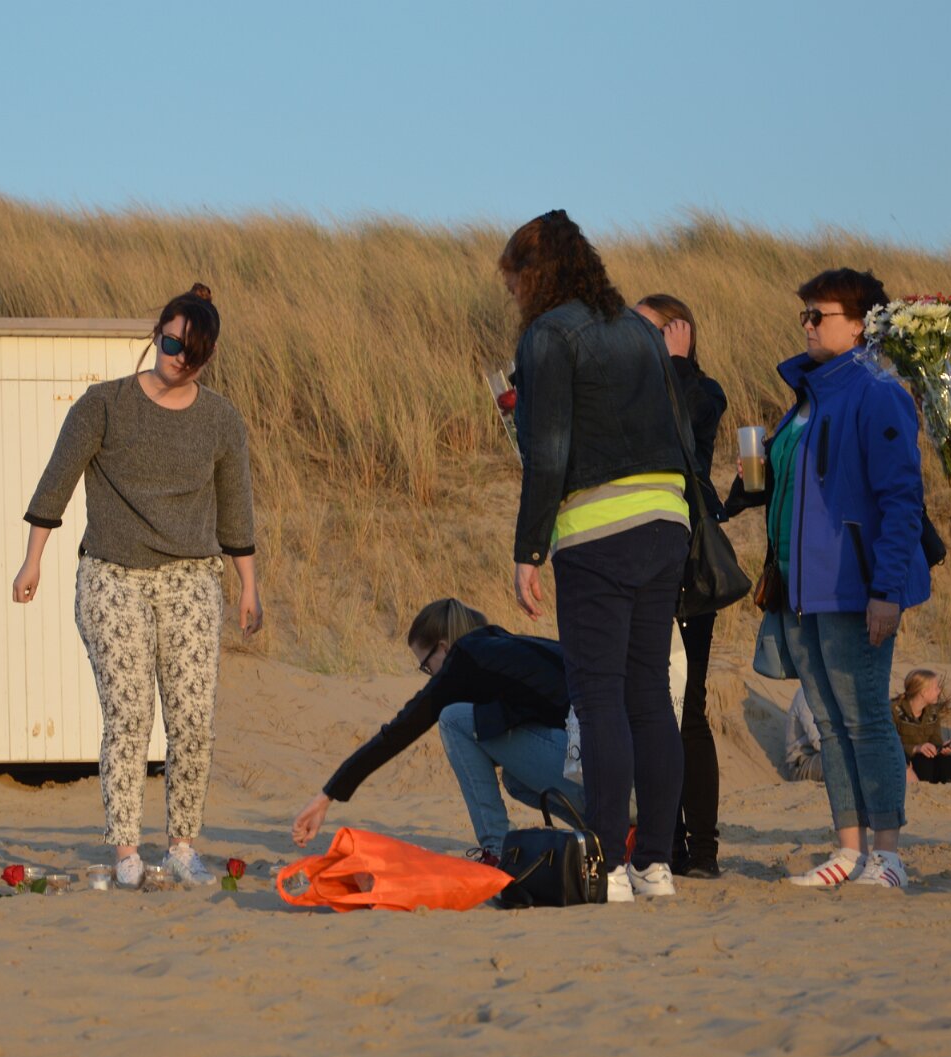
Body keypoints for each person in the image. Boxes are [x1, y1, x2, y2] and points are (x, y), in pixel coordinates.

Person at [13, 284, 264, 889]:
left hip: (191, 579)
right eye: (172, 344)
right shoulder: (103, 405)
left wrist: (248, 587)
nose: (178, 359)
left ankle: (182, 846)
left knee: (193, 720)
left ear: (208, 356)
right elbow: (56, 483)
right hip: (112, 575)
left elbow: (236, 510)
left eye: (192, 353)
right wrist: (32, 561)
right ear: (157, 336)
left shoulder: (221, 420)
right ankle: (126, 852)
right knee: (129, 715)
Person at [500, 211, 691, 903]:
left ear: (535, 274)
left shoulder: (549, 334)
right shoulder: (639, 329)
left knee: (600, 695)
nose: (513, 296)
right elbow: (677, 424)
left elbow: (548, 449)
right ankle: (656, 864)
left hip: (598, 527)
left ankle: (608, 864)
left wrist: (528, 547)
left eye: (514, 282)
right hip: (667, 518)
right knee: (649, 695)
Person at [725, 268, 930, 889]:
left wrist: (885, 591)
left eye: (821, 315)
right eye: (805, 316)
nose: (808, 326)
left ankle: (887, 854)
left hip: (854, 586)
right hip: (801, 587)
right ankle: (848, 849)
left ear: (861, 324)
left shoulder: (877, 391)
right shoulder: (809, 396)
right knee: (830, 724)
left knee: (865, 718)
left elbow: (901, 498)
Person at [291, 599, 582, 871]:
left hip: (588, 771)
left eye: (426, 666)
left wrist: (328, 795)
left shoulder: (464, 657)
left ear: (442, 647)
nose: (431, 676)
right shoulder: (506, 650)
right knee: (514, 779)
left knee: (453, 719)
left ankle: (497, 849)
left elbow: (399, 732)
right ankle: (603, 830)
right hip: (604, 778)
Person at [636, 293, 728, 878]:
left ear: (678, 332)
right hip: (637, 557)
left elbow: (683, 442)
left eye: (647, 329)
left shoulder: (701, 390)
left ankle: (702, 850)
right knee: (650, 708)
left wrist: (673, 363)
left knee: (687, 709)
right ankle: (663, 843)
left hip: (688, 562)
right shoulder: (631, 391)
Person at [894, 669, 951, 785]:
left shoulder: (932, 712)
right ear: (923, 692)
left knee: (948, 761)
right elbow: (889, 745)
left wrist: (941, 748)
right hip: (905, 760)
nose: (939, 690)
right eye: (936, 688)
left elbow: (935, 739)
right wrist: (916, 748)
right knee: (923, 762)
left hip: (927, 758)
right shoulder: (894, 711)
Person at [784, 686, 824, 783]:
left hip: (821, 755)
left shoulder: (829, 692)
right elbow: (818, 742)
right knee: (839, 762)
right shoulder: (806, 695)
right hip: (801, 765)